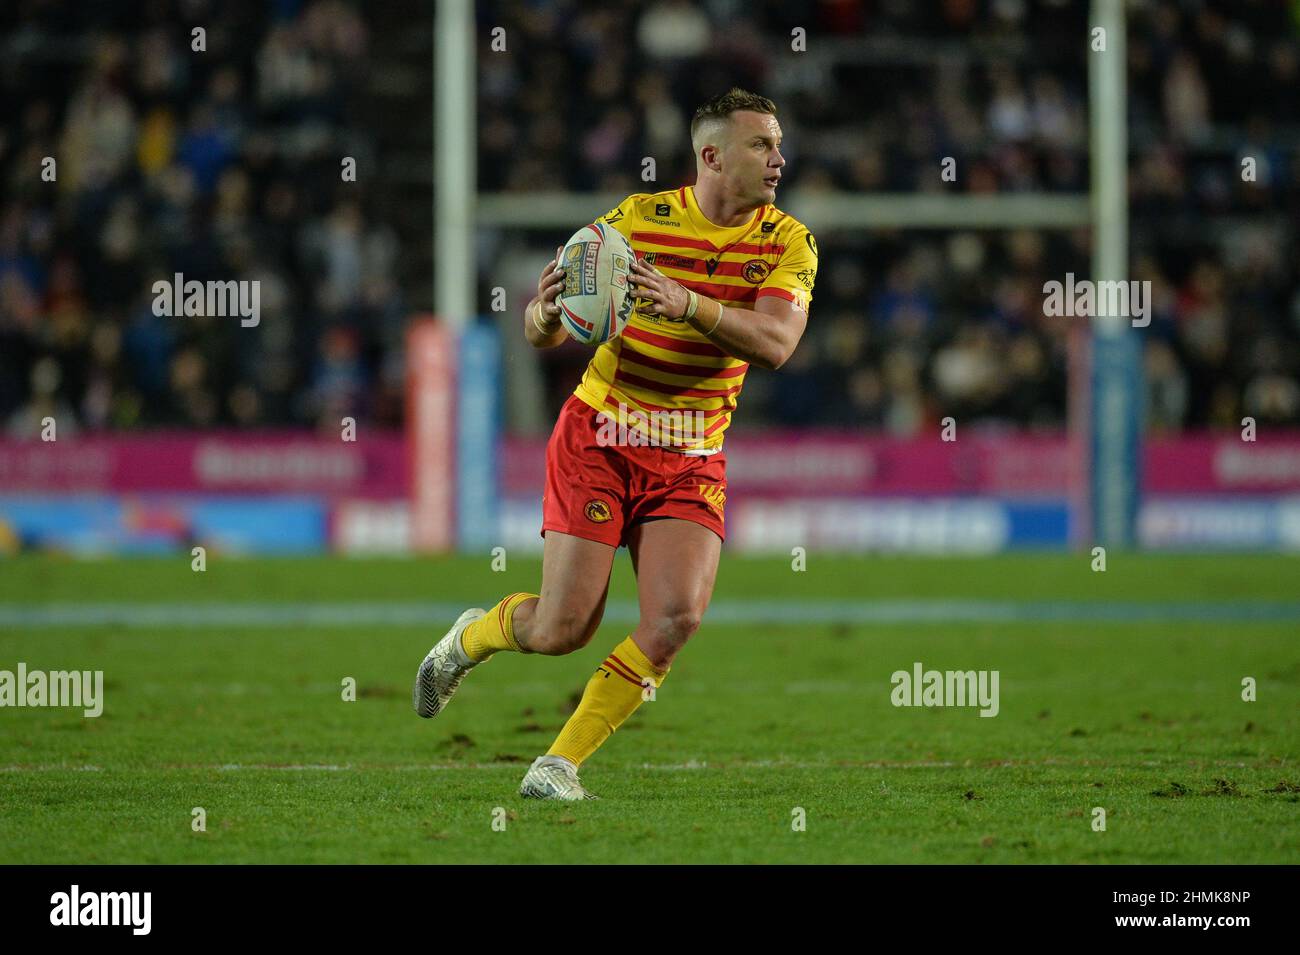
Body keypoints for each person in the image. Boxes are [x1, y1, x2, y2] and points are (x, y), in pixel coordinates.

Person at [414, 88, 818, 800]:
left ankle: (556, 764)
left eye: (778, 144)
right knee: (562, 627)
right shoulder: (635, 222)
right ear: (713, 156)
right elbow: (551, 327)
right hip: (602, 432)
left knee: (675, 618)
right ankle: (469, 640)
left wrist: (685, 301)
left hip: (692, 449)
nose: (778, 159)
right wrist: (542, 314)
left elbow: (779, 343)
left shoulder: (787, 241)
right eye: (762, 145)